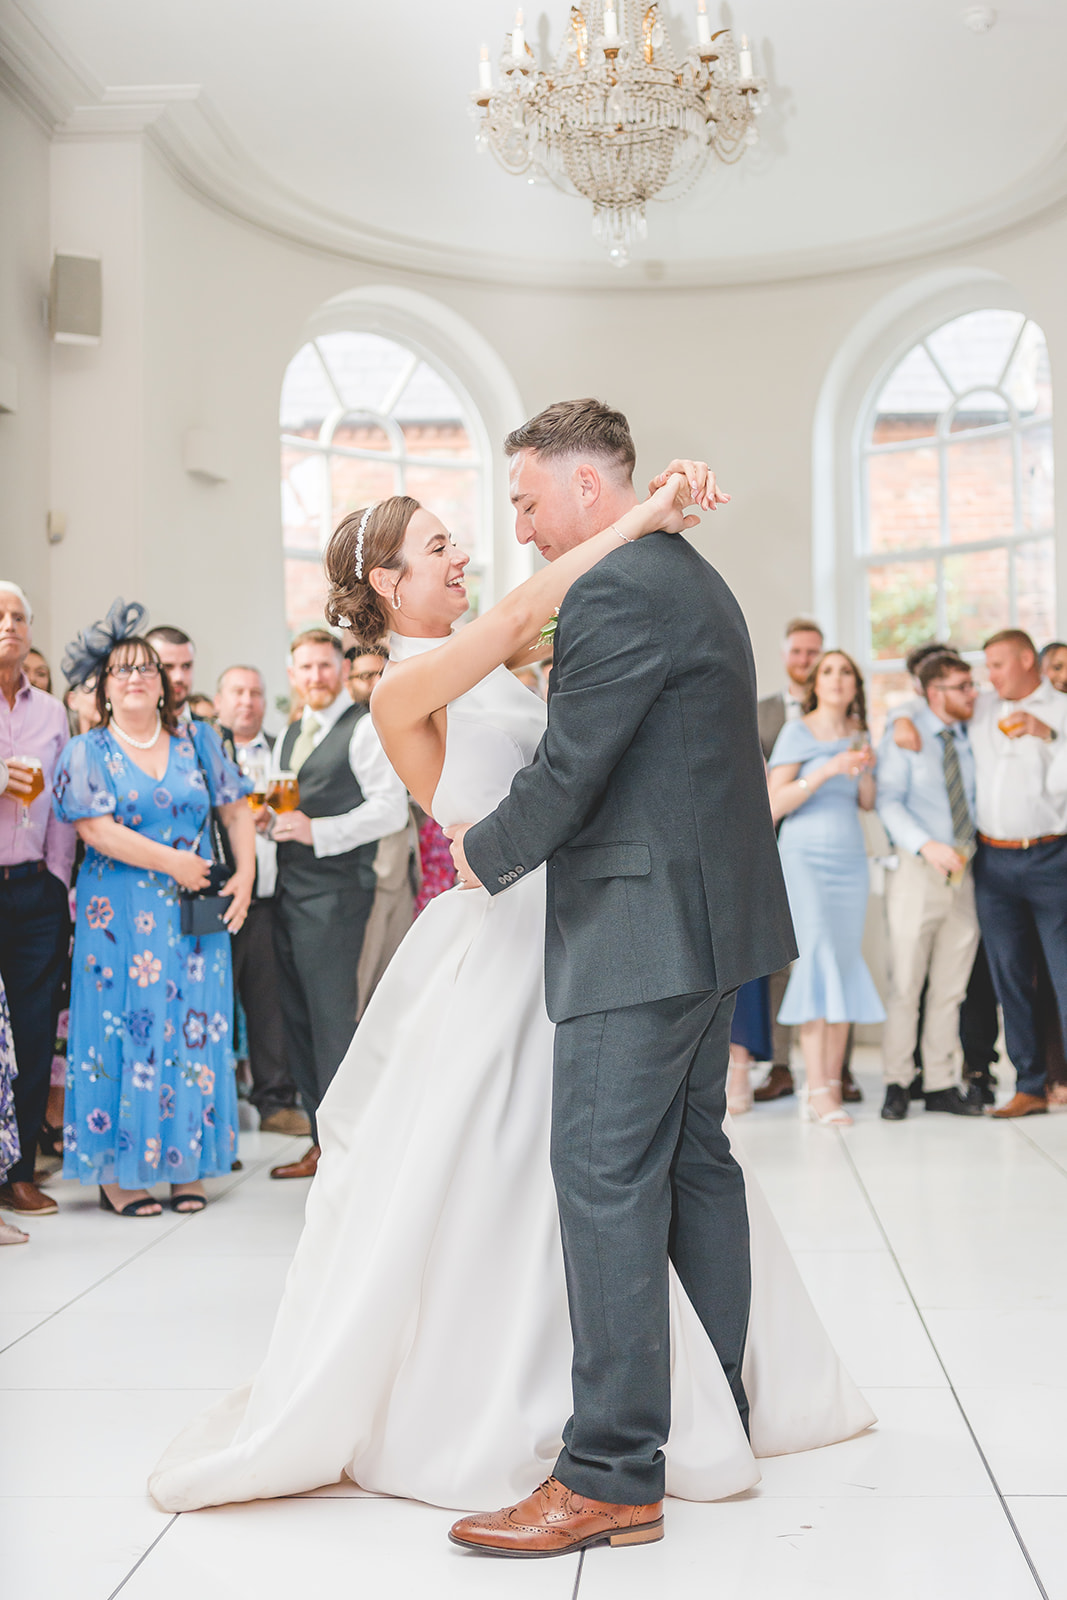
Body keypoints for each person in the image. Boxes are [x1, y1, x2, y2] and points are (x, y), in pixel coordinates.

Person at [150, 444, 873, 1530]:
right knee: (542, 1175)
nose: (466, 553)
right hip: (503, 929)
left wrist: (653, 524)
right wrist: (643, 513)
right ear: (388, 586)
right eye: (438, 545)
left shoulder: (510, 655)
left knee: (628, 1170)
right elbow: (542, 603)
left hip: (589, 916)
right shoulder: (404, 682)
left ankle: (672, 1404)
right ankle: (544, 1414)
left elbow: (599, 654)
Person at [52, 602, 255, 1216]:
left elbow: (236, 808)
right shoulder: (86, 751)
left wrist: (243, 875)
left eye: (146, 668)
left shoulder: (198, 739)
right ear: (104, 688)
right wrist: (173, 862)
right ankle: (119, 1171)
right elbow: (96, 830)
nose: (136, 676)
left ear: (164, 683)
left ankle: (185, 1161)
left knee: (194, 1029)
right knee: (120, 1031)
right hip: (117, 918)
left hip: (194, 914)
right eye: (122, 670)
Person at [894, 629, 1067, 1117]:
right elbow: (928, 707)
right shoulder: (984, 708)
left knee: (1062, 972)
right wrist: (901, 720)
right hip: (993, 862)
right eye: (985, 667)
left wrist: (1047, 734)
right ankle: (1030, 1085)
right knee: (1008, 976)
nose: (987, 677)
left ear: (1027, 660)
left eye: (996, 665)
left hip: (1054, 857)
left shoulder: (1061, 708)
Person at [266, 629, 409, 1181]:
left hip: (338, 895)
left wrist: (315, 830)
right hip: (289, 893)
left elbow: (390, 810)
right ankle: (320, 1140)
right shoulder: (287, 737)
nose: (315, 677)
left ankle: (352, 1152)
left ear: (340, 671)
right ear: (293, 675)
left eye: (325, 666)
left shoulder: (363, 728)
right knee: (298, 1020)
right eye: (305, 668)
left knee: (333, 1022)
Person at [767, 650, 885, 1127]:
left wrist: (866, 768)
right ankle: (816, 1088)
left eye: (846, 673)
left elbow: (867, 801)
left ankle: (832, 1082)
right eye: (829, 671)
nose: (838, 680)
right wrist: (827, 769)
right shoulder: (797, 731)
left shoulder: (860, 734)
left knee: (844, 964)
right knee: (816, 964)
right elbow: (773, 803)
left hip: (850, 860)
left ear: (856, 685)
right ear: (816, 683)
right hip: (805, 858)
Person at [875, 651, 984, 1119]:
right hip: (919, 870)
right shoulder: (905, 735)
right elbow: (888, 801)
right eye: (963, 686)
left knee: (950, 986)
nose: (973, 693)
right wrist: (926, 846)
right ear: (935, 692)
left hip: (967, 874)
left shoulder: (973, 733)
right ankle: (898, 1082)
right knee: (907, 982)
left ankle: (941, 1083)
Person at [0, 581, 75, 1220]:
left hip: (35, 888)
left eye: (18, 616)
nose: (9, 625)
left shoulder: (51, 712)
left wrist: (57, 877)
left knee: (32, 1032)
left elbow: (63, 804)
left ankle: (20, 1172)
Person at [213, 666, 308, 1139]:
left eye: (255, 693)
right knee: (214, 1004)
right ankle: (213, 1104)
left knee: (269, 1005)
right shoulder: (203, 749)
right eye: (237, 692)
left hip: (271, 895)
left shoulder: (283, 748)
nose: (247, 701)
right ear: (218, 699)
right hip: (217, 897)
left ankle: (275, 1101)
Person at [754, 617, 823, 1105]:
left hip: (827, 852)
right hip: (771, 847)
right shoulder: (759, 713)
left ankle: (829, 1066)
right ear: (785, 656)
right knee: (780, 959)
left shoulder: (842, 707)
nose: (806, 661)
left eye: (813, 652)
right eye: (798, 652)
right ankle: (780, 1065)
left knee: (828, 955)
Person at [344, 649, 417, 1018]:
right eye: (363, 676)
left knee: (398, 976)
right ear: (349, 682)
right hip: (370, 871)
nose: (374, 683)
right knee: (366, 978)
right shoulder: (357, 728)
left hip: (408, 863)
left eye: (380, 673)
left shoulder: (404, 715)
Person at [145, 626, 196, 723]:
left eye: (186, 666)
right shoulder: (114, 732)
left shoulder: (211, 732)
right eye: (167, 667)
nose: (179, 677)